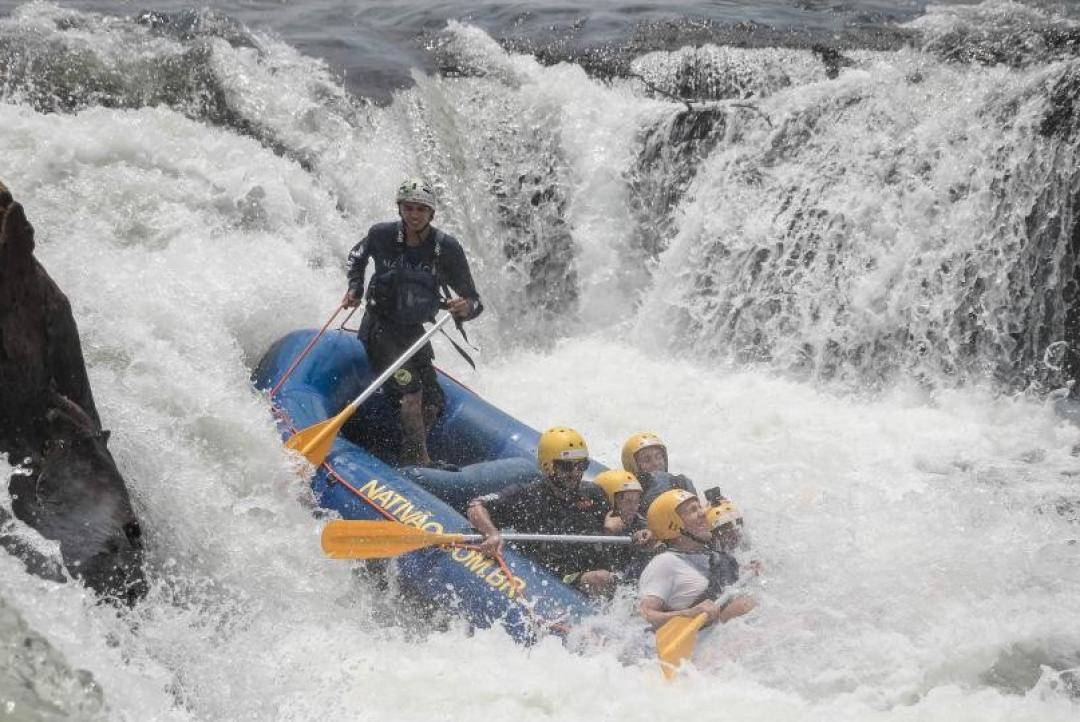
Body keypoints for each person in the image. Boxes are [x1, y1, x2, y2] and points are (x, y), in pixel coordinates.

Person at [345, 178, 482, 466]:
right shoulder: (381, 235)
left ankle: (407, 453)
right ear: (400, 208)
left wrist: (465, 308)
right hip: (380, 329)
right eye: (409, 208)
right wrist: (355, 289)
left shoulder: (446, 248)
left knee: (433, 401)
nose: (414, 215)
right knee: (411, 393)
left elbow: (474, 300)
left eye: (421, 209)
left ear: (431, 213)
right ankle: (419, 462)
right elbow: (356, 257)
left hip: (413, 333)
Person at [466, 427, 617, 596]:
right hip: (552, 579)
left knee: (608, 577)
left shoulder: (594, 493)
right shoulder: (526, 496)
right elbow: (477, 507)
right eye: (567, 466)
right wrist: (491, 533)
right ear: (548, 466)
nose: (576, 472)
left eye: (582, 465)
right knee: (601, 578)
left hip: (591, 572)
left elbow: (619, 520)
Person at [637, 489, 756, 631]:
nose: (703, 513)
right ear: (672, 525)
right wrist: (688, 614)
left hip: (732, 635)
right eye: (693, 510)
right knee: (742, 605)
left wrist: (746, 571)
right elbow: (644, 615)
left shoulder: (714, 556)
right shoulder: (665, 562)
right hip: (702, 643)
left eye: (700, 507)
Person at [594, 469, 655, 580]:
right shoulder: (593, 522)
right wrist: (607, 533)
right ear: (608, 501)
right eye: (627, 501)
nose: (633, 507)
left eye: (637, 501)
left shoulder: (640, 522)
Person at [621, 432, 698, 511]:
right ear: (632, 467)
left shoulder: (681, 483)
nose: (656, 463)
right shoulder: (629, 501)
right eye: (647, 460)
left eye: (658, 457)